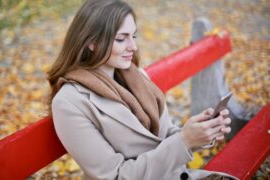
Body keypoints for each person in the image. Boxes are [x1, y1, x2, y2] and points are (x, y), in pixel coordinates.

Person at [48, 0, 237, 179]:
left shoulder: (137, 77)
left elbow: (164, 137)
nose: (133, 47)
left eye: (134, 36)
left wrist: (200, 132)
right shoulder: (69, 102)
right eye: (122, 39)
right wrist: (185, 141)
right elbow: (116, 176)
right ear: (92, 42)